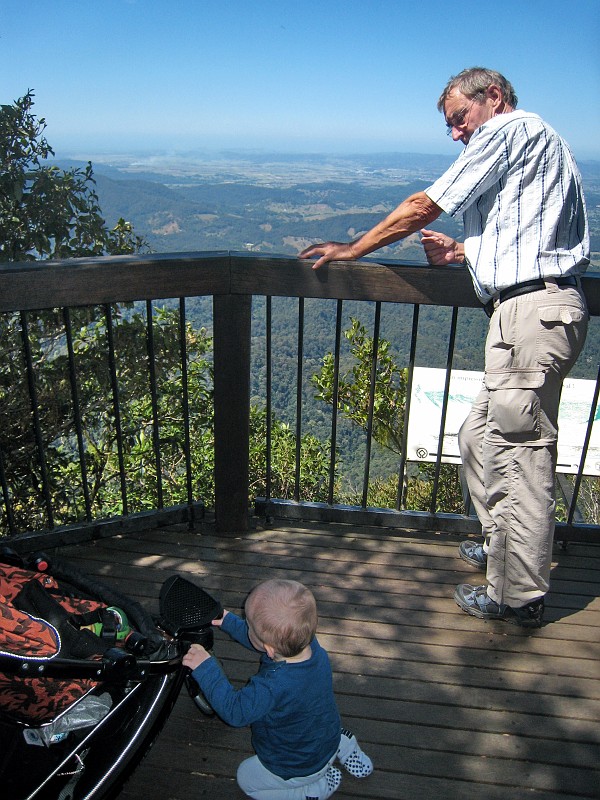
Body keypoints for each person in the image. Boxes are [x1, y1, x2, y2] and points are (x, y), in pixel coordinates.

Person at [299, 67, 590, 628]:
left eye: (460, 118)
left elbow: (422, 204)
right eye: (452, 125)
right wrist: (462, 255)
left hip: (529, 317)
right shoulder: (541, 142)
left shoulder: (509, 131)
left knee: (520, 457)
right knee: (478, 438)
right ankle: (502, 548)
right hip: (534, 312)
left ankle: (517, 595)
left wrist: (355, 248)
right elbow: (531, 236)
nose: (457, 133)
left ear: (494, 99)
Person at [182, 578, 373, 800]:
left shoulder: (272, 686)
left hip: (299, 767)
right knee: (318, 724)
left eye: (248, 624)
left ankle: (313, 791)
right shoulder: (311, 646)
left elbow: (235, 711)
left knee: (246, 777)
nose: (246, 626)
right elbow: (263, 638)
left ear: (270, 650)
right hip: (328, 735)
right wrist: (226, 620)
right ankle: (348, 747)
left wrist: (206, 668)